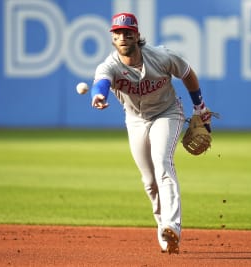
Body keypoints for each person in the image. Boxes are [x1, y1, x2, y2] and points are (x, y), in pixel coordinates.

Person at [90, 12, 211, 254]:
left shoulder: (161, 56)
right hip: (135, 120)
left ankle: (172, 225)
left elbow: (187, 73)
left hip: (167, 112)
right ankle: (165, 232)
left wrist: (199, 106)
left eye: (127, 33)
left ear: (137, 36)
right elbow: (101, 81)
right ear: (112, 38)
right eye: (117, 33)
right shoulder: (110, 65)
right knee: (149, 182)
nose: (122, 37)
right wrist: (98, 94)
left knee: (162, 162)